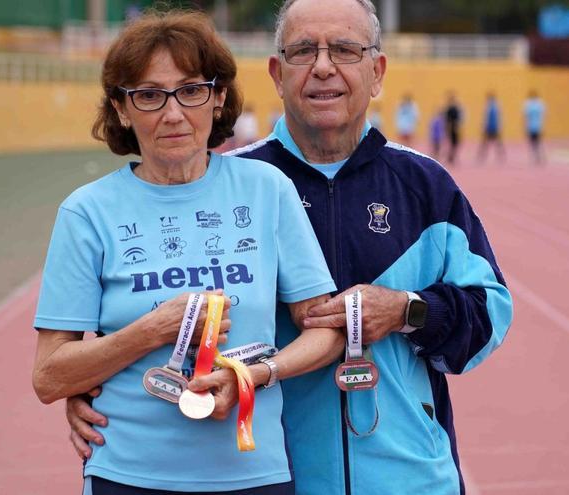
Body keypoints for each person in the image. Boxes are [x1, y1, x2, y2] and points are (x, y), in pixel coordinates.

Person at [67, 1, 513, 494]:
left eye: (345, 49)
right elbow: (168, 314)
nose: (323, 67)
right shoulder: (234, 189)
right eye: (304, 51)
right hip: (280, 477)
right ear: (277, 74)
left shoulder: (426, 186)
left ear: (377, 71)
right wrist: (100, 386)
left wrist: (409, 310)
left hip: (411, 478)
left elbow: (489, 315)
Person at [34, 10, 344, 495]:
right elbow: (49, 378)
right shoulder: (86, 213)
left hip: (254, 474)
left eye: (191, 90)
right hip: (126, 476)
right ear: (121, 109)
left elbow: (326, 332)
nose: (173, 113)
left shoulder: (267, 190)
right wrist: (152, 330)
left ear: (219, 99)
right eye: (150, 95)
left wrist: (258, 375)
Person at [477, 91, 505, 164]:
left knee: (491, 143)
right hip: (491, 127)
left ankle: (483, 155)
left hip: (492, 127)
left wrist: (483, 127)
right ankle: (483, 155)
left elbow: (487, 118)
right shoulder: (493, 106)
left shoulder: (492, 106)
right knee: (487, 143)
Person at [523, 89, 546, 165]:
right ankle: (537, 156)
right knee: (536, 142)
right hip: (536, 126)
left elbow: (526, 116)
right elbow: (542, 116)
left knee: (534, 143)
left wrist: (525, 126)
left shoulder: (529, 104)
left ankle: (537, 156)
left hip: (533, 126)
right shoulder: (539, 104)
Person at [444, 90, 463, 165]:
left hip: (453, 128)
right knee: (453, 143)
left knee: (454, 143)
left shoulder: (454, 108)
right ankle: (451, 157)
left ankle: (451, 157)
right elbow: (448, 120)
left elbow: (458, 118)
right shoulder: (450, 109)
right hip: (452, 128)